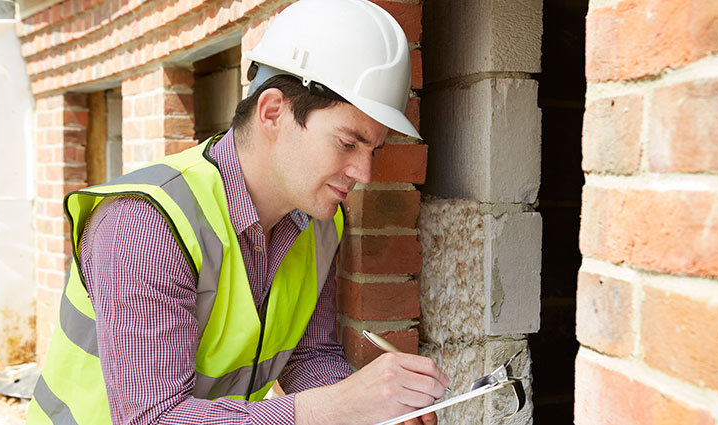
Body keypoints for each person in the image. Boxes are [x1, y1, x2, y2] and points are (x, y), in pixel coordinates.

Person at [26, 0, 449, 424]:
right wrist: (334, 409)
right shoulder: (145, 225)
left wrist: (376, 412)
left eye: (373, 149)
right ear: (272, 113)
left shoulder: (320, 224)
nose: (365, 173)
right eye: (347, 143)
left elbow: (309, 357)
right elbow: (150, 419)